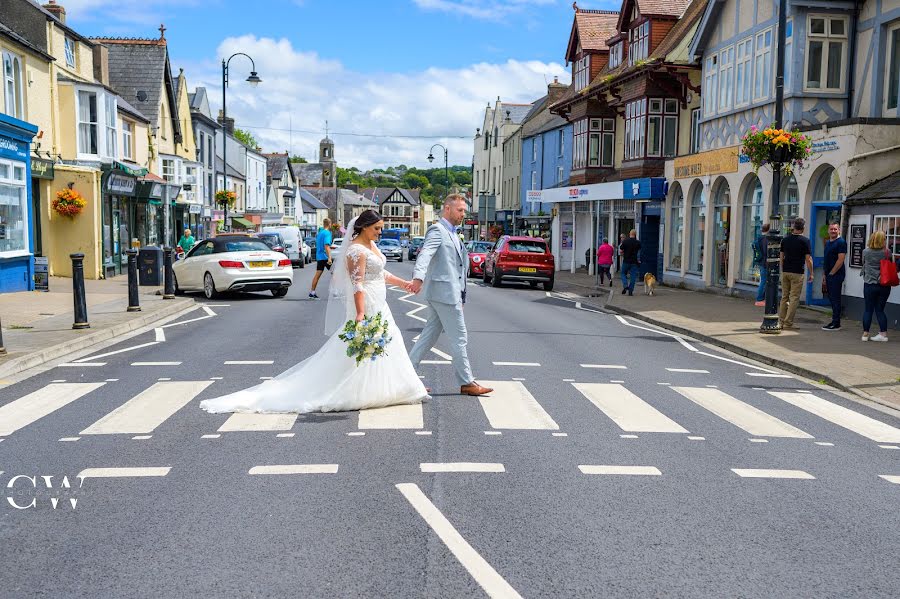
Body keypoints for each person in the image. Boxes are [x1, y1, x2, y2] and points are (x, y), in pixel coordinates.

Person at [200, 210, 428, 414]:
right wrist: (360, 313)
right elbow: (358, 284)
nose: (380, 232)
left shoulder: (372, 246)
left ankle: (394, 388)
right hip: (367, 303)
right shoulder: (356, 251)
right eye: (377, 228)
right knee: (365, 346)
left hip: (381, 302)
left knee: (387, 343)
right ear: (364, 227)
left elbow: (381, 274)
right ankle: (358, 390)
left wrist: (404, 284)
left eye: (381, 228)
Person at [408, 194, 493, 397]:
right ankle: (466, 382)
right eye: (460, 210)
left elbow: (459, 267)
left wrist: (462, 295)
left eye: (464, 210)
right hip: (444, 293)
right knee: (460, 337)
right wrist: (418, 277)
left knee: (428, 336)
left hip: (448, 293)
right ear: (447, 209)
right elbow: (426, 253)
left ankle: (407, 377)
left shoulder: (454, 233)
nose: (463, 214)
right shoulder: (437, 230)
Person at [778, 218, 813, 329]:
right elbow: (808, 259)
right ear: (803, 228)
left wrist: (783, 269)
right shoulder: (805, 241)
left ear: (793, 228)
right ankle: (788, 323)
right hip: (797, 272)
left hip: (786, 271)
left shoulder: (785, 240)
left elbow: (781, 257)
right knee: (794, 298)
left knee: (784, 297)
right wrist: (811, 273)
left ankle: (780, 321)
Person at [860, 230, 892, 342]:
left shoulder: (866, 252)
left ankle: (865, 334)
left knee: (868, 310)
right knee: (880, 310)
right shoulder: (887, 252)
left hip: (869, 284)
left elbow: (863, 263)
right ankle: (883, 335)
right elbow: (891, 264)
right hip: (884, 284)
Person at [822, 222, 847, 331]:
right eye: (831, 229)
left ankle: (836, 323)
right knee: (831, 298)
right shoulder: (828, 242)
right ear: (828, 231)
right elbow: (826, 259)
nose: (833, 231)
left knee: (835, 299)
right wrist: (824, 274)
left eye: (835, 229)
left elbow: (841, 259)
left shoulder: (841, 242)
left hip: (836, 275)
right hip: (828, 274)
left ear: (839, 230)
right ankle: (834, 320)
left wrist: (832, 273)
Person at [309, 218, 333, 299]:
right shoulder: (327, 233)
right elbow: (326, 246)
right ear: (329, 224)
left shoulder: (320, 233)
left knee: (317, 275)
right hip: (325, 257)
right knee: (335, 273)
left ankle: (312, 292)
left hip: (319, 257)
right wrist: (329, 258)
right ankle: (336, 292)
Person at [619, 229, 641, 296]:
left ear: (630, 234)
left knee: (623, 273)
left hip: (626, 261)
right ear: (635, 234)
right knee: (633, 277)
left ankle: (625, 285)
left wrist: (623, 253)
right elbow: (639, 252)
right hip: (634, 262)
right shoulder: (638, 242)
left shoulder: (625, 241)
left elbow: (620, 250)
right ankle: (630, 291)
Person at [753, 224, 770, 307]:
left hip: (760, 262)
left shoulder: (759, 238)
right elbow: (767, 252)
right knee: (763, 282)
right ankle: (759, 299)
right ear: (769, 230)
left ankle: (761, 299)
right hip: (765, 263)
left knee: (763, 281)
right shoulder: (766, 239)